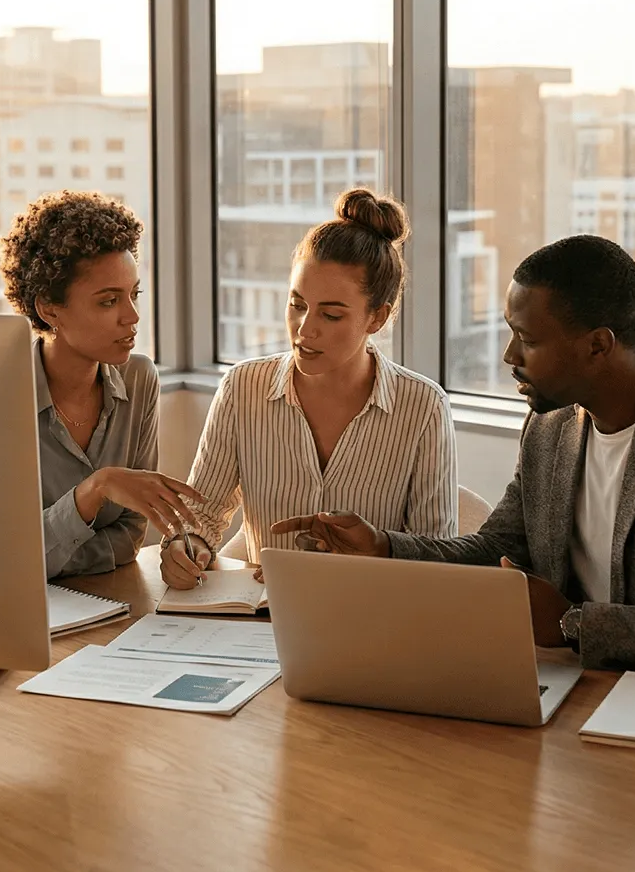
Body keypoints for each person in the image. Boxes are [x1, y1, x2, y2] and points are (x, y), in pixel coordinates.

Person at [273, 234, 635, 678]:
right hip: (572, 683)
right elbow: (495, 550)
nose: (510, 354)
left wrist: (574, 625)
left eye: (527, 338)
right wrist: (384, 547)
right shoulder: (551, 425)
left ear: (597, 346)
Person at [160, 188, 458, 589]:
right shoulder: (242, 389)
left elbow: (434, 555)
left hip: (373, 623)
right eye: (297, 304)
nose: (304, 329)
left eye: (331, 314)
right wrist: (188, 546)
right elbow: (203, 516)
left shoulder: (423, 407)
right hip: (262, 624)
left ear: (377, 318)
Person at [1, 190, 202, 578]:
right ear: (49, 308)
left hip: (112, 601)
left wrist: (48, 551)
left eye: (134, 294)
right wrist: (96, 489)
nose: (132, 317)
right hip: (17, 618)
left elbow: (131, 536)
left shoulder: (139, 380)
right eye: (109, 301)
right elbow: (4, 558)